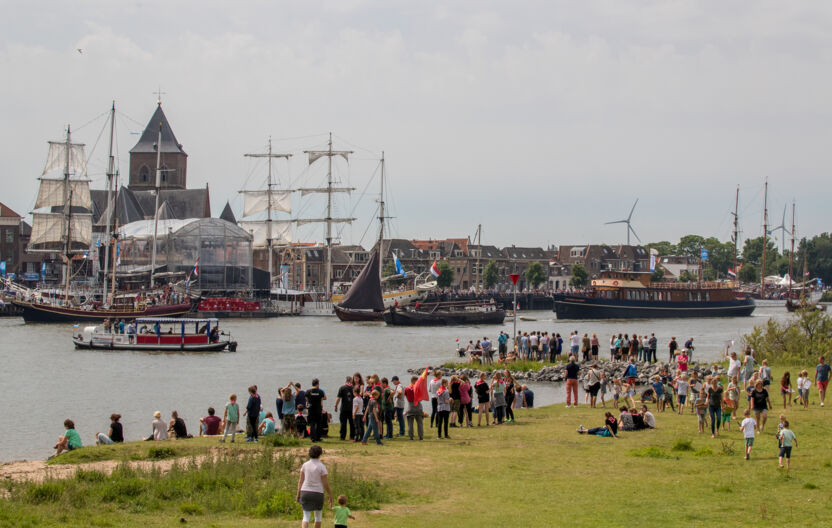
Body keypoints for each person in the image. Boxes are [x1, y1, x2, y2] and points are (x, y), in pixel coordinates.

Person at [297, 445, 333, 528]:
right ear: (320, 454)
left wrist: (298, 494)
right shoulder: (321, 466)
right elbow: (325, 483)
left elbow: (300, 481)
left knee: (306, 516)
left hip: (305, 492)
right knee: (318, 517)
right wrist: (330, 494)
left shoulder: (305, 465)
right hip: (318, 493)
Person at [404, 375, 424, 440]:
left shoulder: (407, 388)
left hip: (410, 406)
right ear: (414, 381)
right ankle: (421, 437)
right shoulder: (418, 388)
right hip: (418, 406)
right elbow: (420, 398)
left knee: (410, 423)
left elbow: (405, 396)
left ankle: (411, 437)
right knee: (420, 423)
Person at [335, 376, 354, 441]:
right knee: (352, 423)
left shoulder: (342, 388)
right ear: (351, 381)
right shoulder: (354, 388)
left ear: (346, 381)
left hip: (344, 408)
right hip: (352, 408)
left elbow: (338, 398)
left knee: (343, 423)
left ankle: (342, 436)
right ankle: (352, 436)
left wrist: (336, 406)